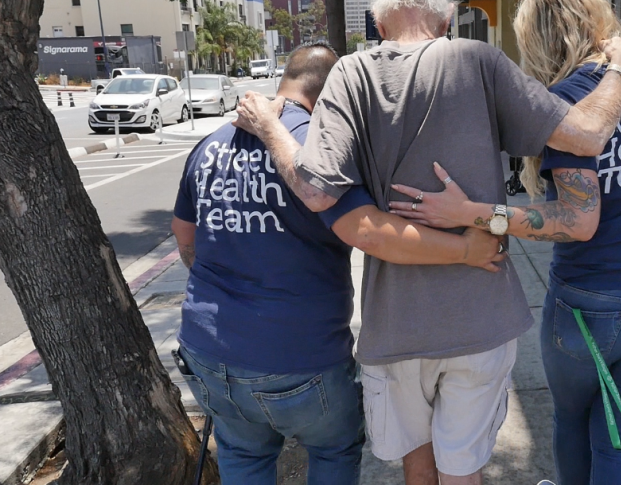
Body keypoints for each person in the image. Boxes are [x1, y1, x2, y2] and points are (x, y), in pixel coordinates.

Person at [233, 0, 621, 485]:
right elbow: (587, 135)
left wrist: (269, 124)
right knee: (463, 472)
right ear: (447, 17)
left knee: (417, 469)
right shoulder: (479, 60)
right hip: (481, 315)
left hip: (396, 323)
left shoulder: (351, 73)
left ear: (378, 23)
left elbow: (313, 189)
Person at [390, 0, 621, 485]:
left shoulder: (564, 103)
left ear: (534, 38)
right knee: (619, 437)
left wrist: (471, 212)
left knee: (576, 423)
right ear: (599, 17)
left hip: (594, 303)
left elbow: (579, 221)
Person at [170, 42, 505, 485]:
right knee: (333, 447)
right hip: (299, 359)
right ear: (333, 94)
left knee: (243, 455)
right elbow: (371, 231)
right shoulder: (320, 147)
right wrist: (466, 251)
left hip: (208, 352)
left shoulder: (211, 145)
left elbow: (185, 236)